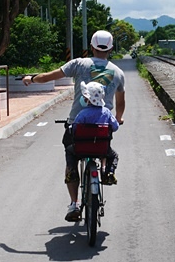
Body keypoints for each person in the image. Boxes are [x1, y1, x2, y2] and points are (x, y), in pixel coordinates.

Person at [23, 29, 125, 221]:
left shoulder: (79, 63)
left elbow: (49, 76)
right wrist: (118, 118)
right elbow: (120, 102)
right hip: (103, 127)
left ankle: (74, 203)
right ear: (111, 48)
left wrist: (32, 78)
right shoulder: (118, 72)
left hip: (76, 128)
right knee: (105, 149)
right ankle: (105, 171)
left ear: (92, 46)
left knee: (72, 156)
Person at [72, 80, 120, 185]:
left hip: (82, 147)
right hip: (102, 148)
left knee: (70, 151)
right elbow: (115, 127)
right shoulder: (106, 112)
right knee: (113, 156)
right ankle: (109, 173)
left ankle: (72, 172)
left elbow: (74, 128)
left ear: (86, 98)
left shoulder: (82, 113)